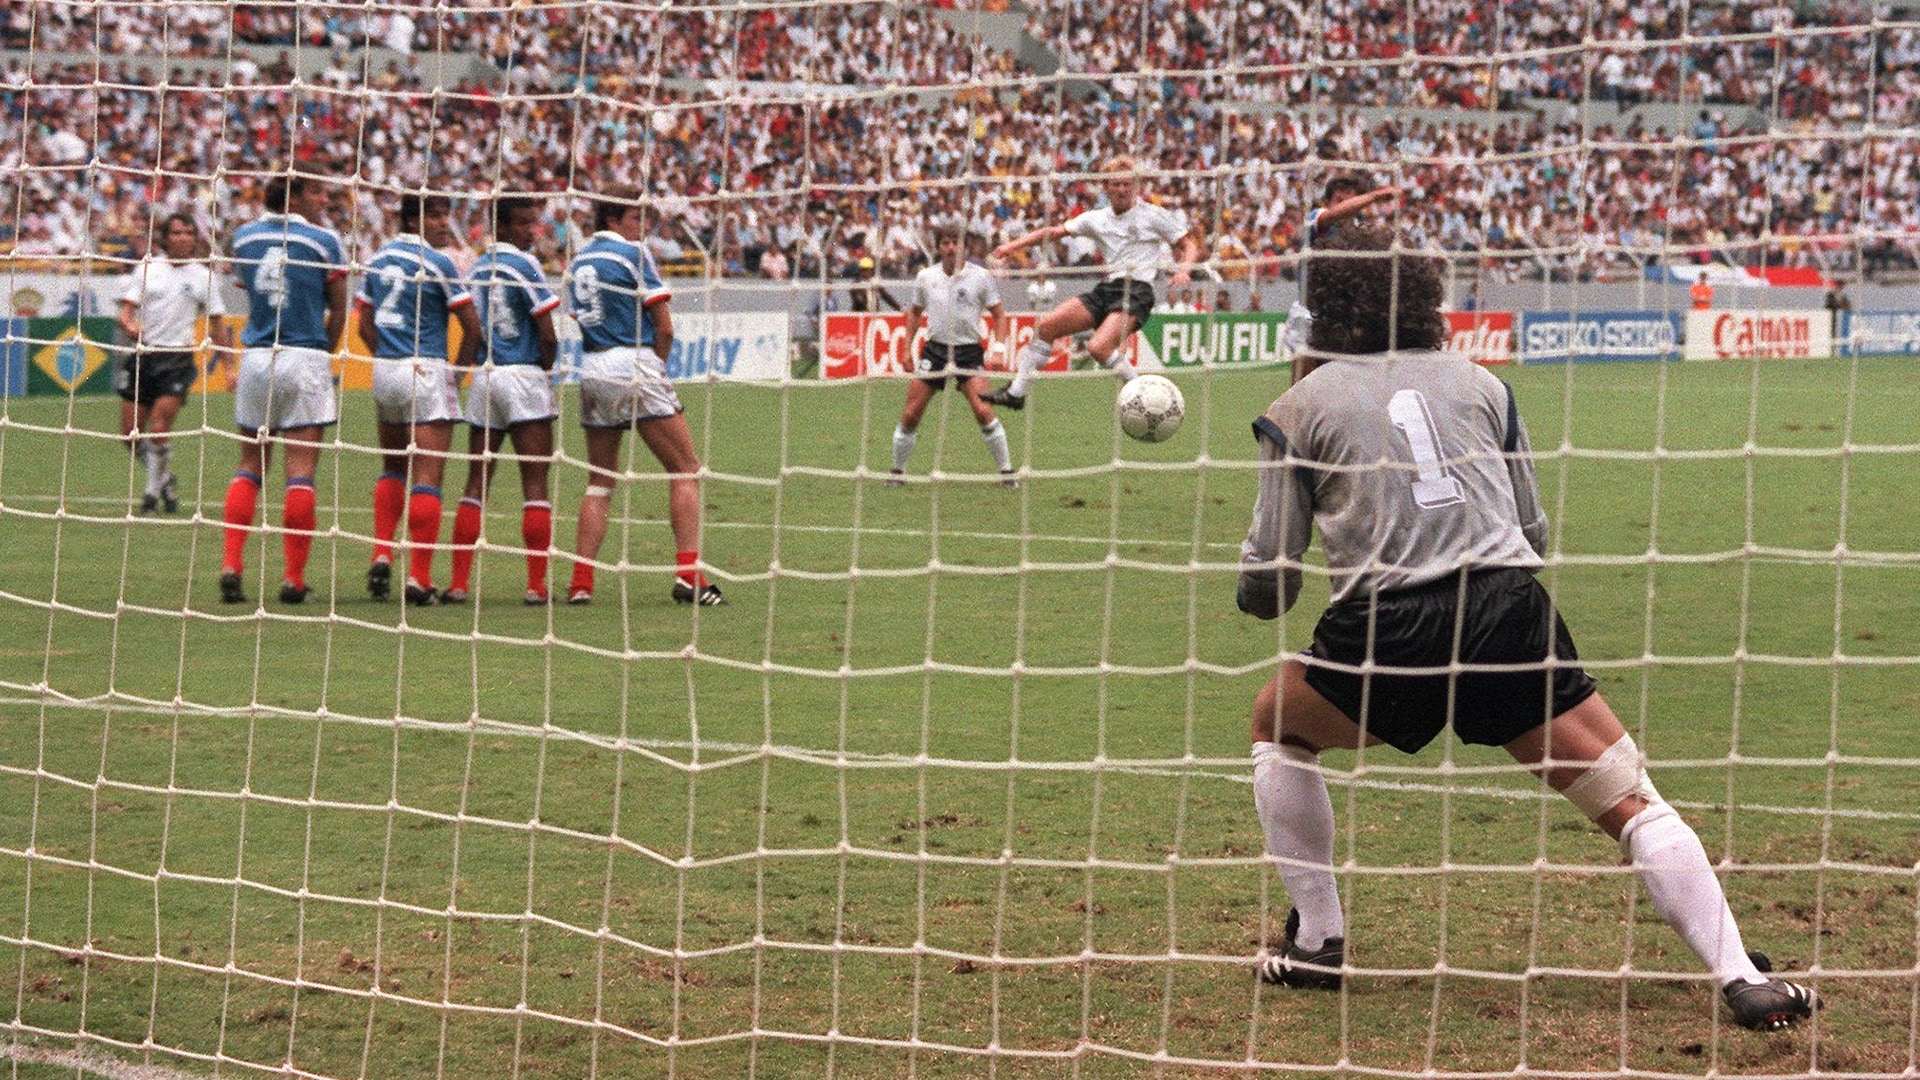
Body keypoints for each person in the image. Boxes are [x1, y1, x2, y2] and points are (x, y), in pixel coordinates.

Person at [1235, 225, 1820, 1033]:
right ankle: (1742, 976)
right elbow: (1532, 531)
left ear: (1324, 311)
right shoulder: (1483, 384)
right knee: (1629, 798)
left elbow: (1267, 588)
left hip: (1388, 632)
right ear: (1426, 302)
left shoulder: (1297, 407)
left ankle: (1318, 941)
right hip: (1507, 611)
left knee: (1277, 724)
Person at [563, 188, 724, 607]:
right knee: (685, 468)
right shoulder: (632, 254)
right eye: (637, 218)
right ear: (613, 220)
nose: (644, 226)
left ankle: (580, 582)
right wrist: (657, 367)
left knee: (600, 480)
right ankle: (689, 575)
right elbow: (664, 327)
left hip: (592, 368)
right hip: (633, 362)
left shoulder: (578, 260)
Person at [220, 172, 349, 606]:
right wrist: (324, 354)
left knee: (249, 463)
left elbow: (247, 288)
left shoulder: (243, 238)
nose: (324, 200)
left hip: (257, 358)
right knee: (301, 471)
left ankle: (231, 564)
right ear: (292, 195)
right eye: (317, 191)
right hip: (304, 356)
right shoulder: (324, 241)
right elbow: (340, 309)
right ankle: (293, 578)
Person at [982, 156, 1200, 409]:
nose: (1122, 189)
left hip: (1137, 290)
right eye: (1115, 184)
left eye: (1127, 184)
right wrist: (1011, 246)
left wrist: (1184, 270)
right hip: (1108, 289)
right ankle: (1016, 393)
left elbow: (1188, 244)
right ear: (1106, 187)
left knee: (1098, 347)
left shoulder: (1152, 215)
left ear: (1136, 186)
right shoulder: (1096, 218)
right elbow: (1053, 232)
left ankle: (1143, 394)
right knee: (1047, 326)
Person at [355, 192, 481, 606]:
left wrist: (387, 358)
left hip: (386, 371)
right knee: (428, 475)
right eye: (435, 215)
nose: (445, 223)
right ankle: (420, 578)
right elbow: (473, 328)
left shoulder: (376, 260)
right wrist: (457, 375)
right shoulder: (438, 263)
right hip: (426, 370)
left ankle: (381, 552)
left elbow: (364, 327)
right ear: (413, 220)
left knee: (393, 466)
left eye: (446, 214)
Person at [445, 195, 562, 606]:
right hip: (523, 376)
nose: (534, 231)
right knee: (535, 483)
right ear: (506, 226)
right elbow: (548, 335)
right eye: (526, 223)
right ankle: (536, 585)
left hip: (485, 378)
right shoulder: (524, 265)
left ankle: (458, 583)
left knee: (476, 481)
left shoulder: (478, 267)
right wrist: (543, 370)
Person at [116, 211, 235, 515]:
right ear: (165, 238)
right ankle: (165, 478)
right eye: (177, 233)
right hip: (144, 356)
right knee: (129, 434)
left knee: (159, 428)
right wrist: (129, 325)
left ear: (195, 239)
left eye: (189, 233)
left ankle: (150, 496)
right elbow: (125, 313)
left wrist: (229, 367)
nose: (183, 238)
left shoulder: (204, 277)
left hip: (177, 359)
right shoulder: (148, 269)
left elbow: (218, 326)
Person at [886, 225, 1013, 488]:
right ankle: (897, 472)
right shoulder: (925, 276)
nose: (951, 248)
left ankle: (1007, 472)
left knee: (983, 410)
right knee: (911, 413)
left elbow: (999, 315)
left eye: (956, 242)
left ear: (964, 246)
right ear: (938, 247)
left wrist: (999, 349)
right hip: (935, 351)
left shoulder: (981, 277)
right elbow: (915, 313)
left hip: (968, 352)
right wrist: (906, 349)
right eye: (945, 243)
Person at [1283, 176, 1400, 384]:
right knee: (1304, 383)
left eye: (1350, 199)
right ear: (1328, 202)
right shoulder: (1316, 218)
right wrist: (1374, 196)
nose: (1345, 204)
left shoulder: (1361, 233)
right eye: (1339, 200)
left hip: (1345, 317)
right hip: (1309, 314)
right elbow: (1332, 215)